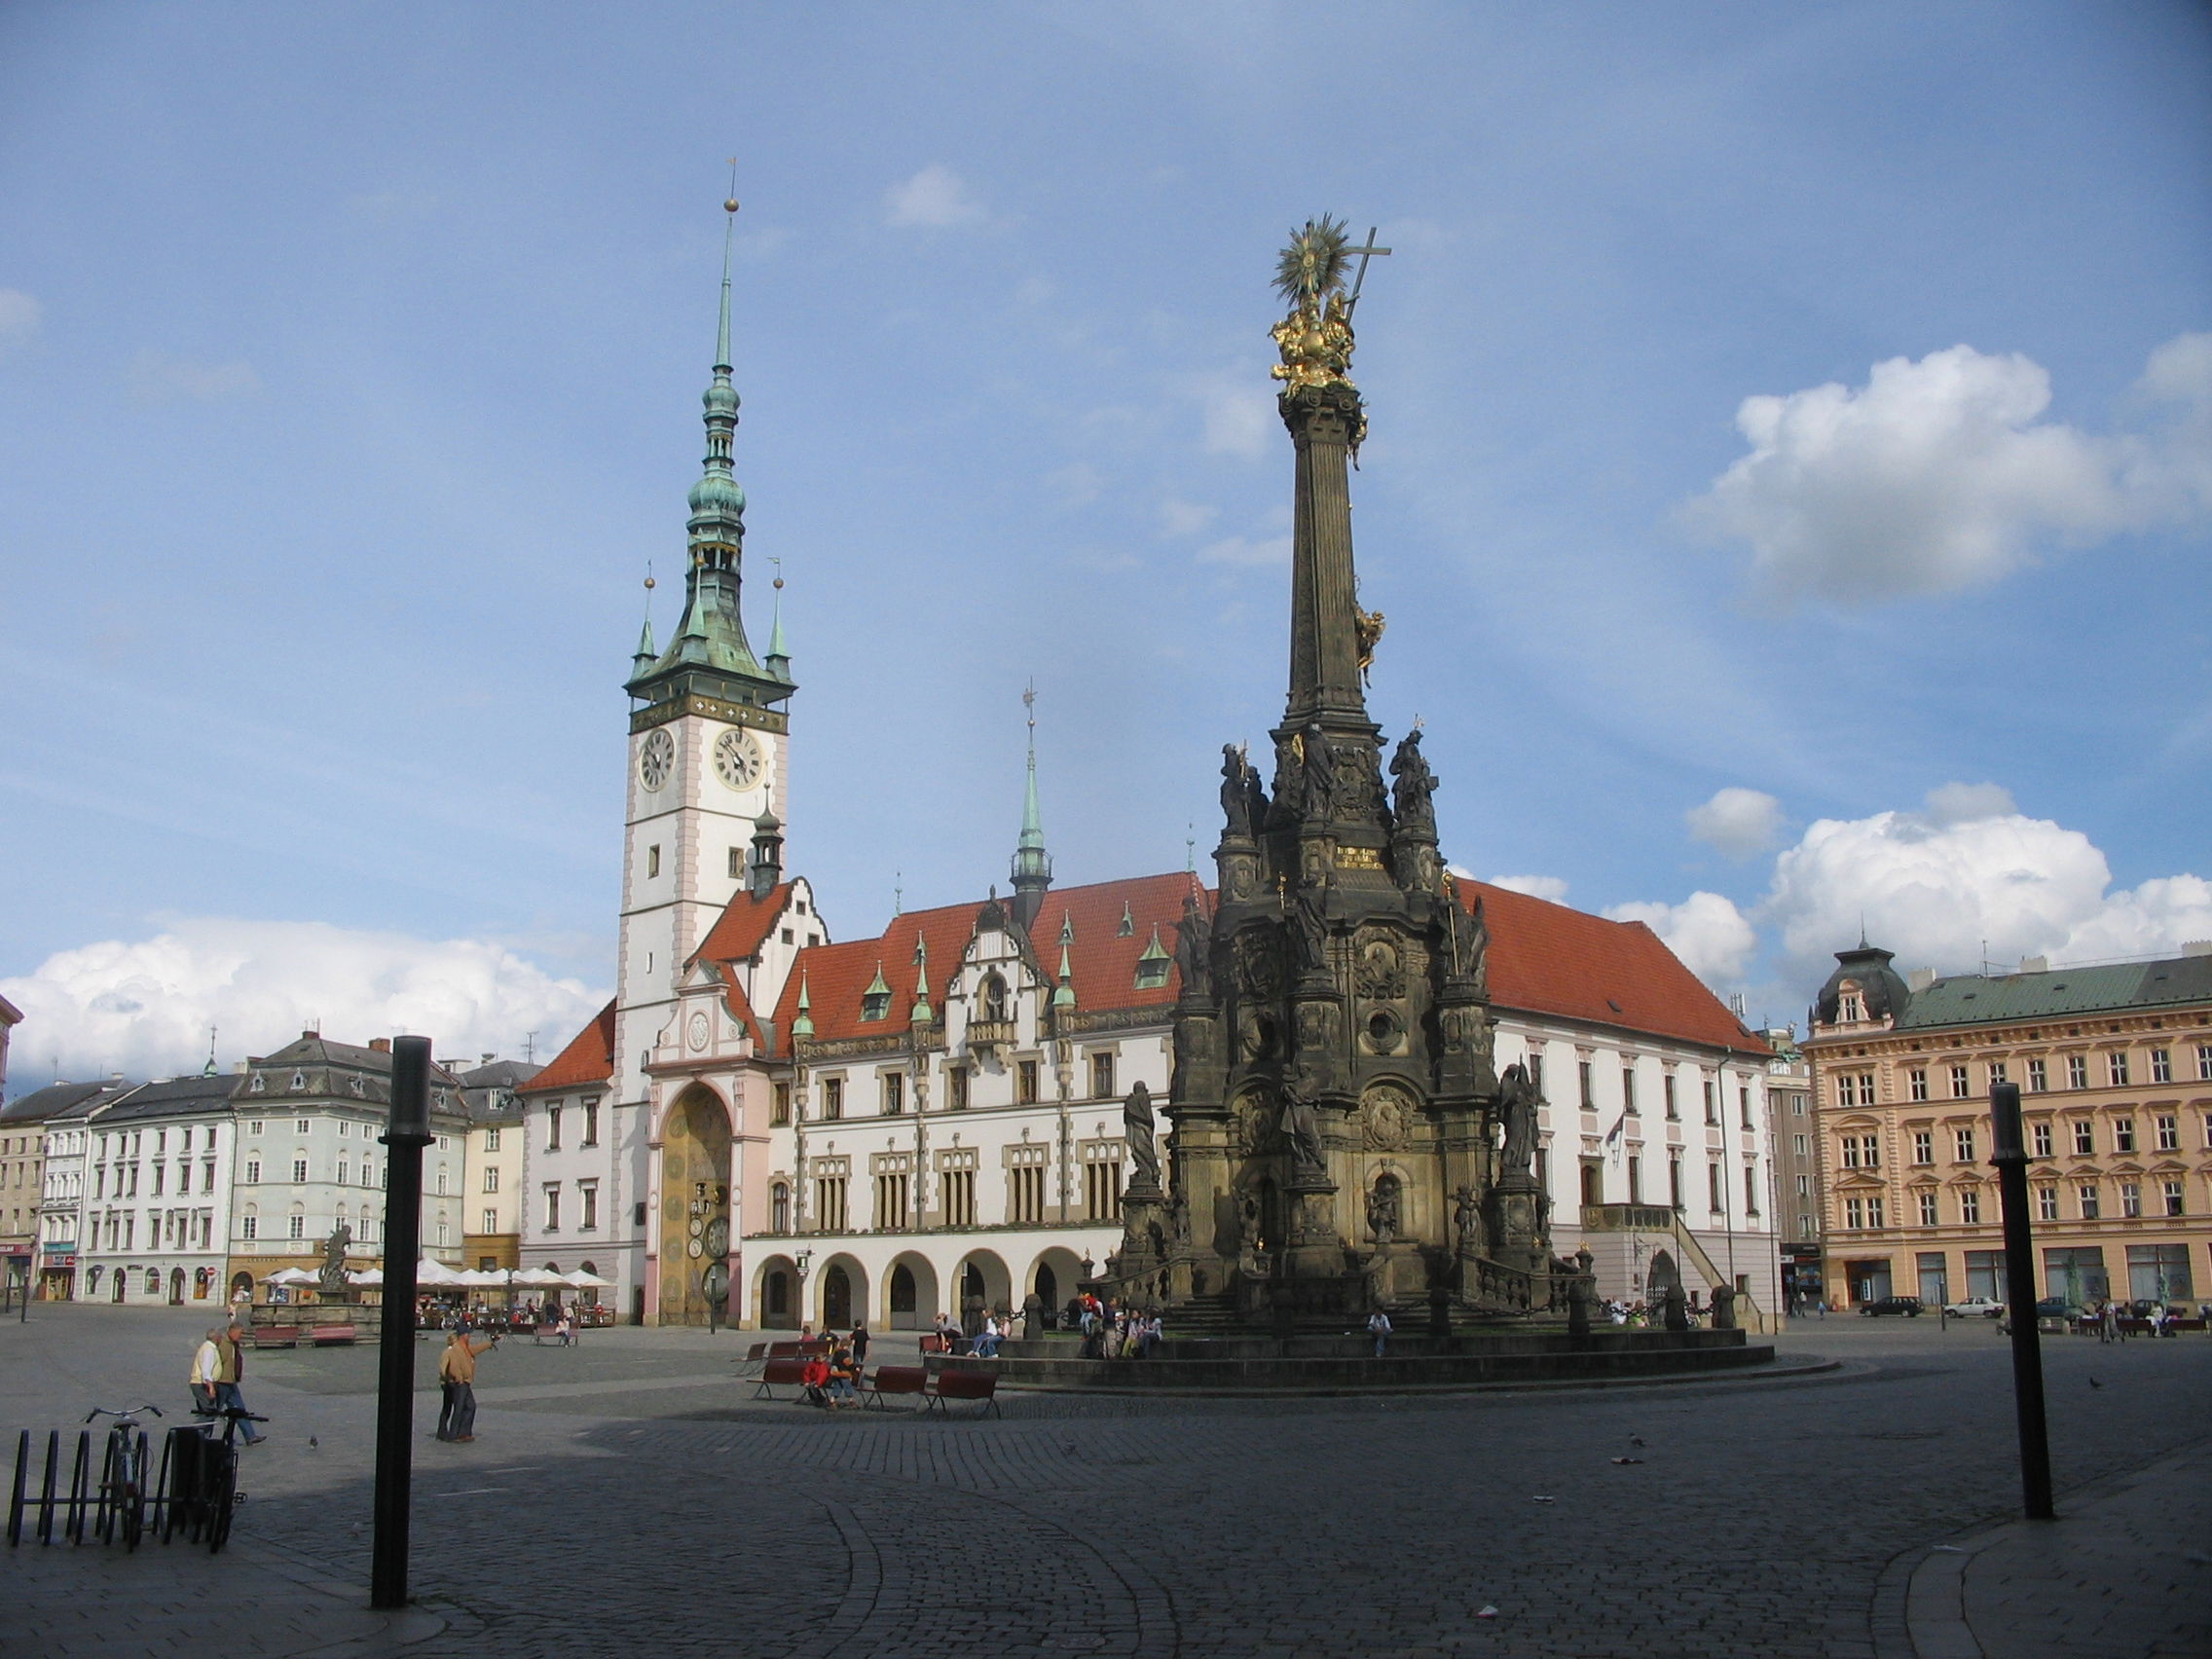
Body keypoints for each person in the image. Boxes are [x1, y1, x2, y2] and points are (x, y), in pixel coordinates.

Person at [436, 1326, 499, 1443]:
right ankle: (455, 1434)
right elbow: (453, 1366)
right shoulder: (456, 1349)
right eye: (468, 1334)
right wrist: (459, 1378)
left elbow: (476, 1349)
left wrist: (490, 1343)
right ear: (463, 1336)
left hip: (465, 1382)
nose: (469, 1336)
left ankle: (463, 1433)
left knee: (469, 1406)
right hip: (459, 1383)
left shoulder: (465, 1348)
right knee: (459, 1408)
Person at [212, 1321, 266, 1443]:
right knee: (214, 1410)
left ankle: (250, 1436)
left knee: (240, 1410)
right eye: (239, 1333)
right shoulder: (223, 1344)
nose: (240, 1336)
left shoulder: (233, 1344)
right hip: (221, 1383)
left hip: (231, 1382)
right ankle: (203, 1433)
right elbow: (216, 1363)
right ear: (232, 1331)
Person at [189, 1327, 223, 1417]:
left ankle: (201, 1429)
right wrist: (211, 1387)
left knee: (207, 1413)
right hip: (202, 1385)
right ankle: (197, 1430)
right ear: (217, 1338)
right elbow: (206, 1371)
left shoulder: (207, 1347)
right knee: (209, 1413)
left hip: (202, 1384)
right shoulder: (209, 1350)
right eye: (221, 1337)